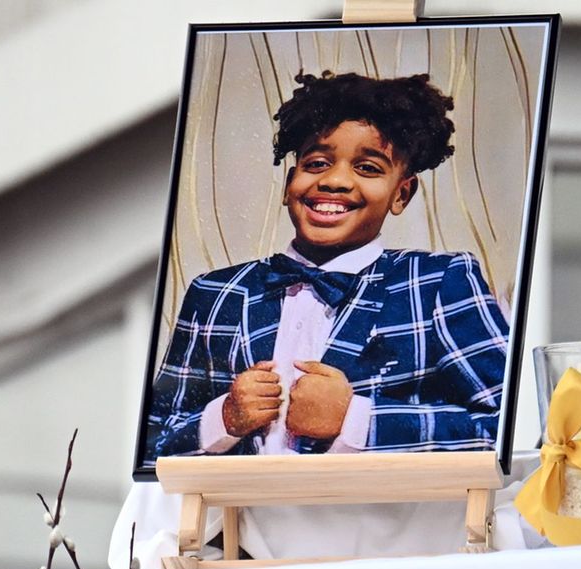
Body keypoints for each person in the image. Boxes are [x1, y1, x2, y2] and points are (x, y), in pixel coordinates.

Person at [143, 71, 509, 467]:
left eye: (367, 168)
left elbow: (507, 428)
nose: (335, 181)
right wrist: (223, 419)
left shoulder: (438, 282)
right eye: (316, 163)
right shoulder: (215, 293)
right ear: (289, 185)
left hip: (383, 528)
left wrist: (356, 420)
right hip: (240, 528)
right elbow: (150, 447)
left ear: (401, 193)